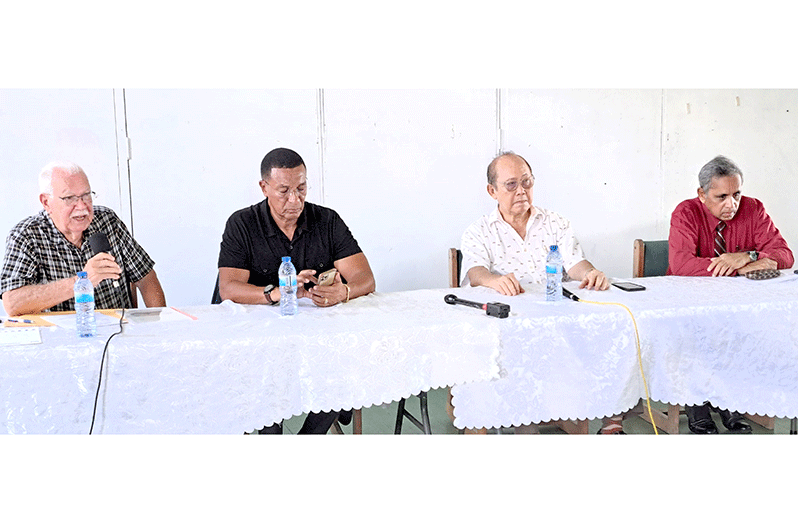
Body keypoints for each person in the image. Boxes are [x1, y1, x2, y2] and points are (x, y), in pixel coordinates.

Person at [460, 151, 623, 434]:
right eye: (511, 185)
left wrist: (590, 273)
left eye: (527, 182)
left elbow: (574, 264)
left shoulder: (555, 223)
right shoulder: (478, 231)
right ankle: (523, 420)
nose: (521, 191)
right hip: (507, 323)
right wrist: (493, 280)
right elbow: (475, 273)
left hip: (553, 319)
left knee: (607, 327)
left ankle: (606, 418)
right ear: (492, 191)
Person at [217, 147, 376, 435]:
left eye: (301, 188)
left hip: (313, 339)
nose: (295, 199)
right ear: (264, 187)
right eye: (284, 191)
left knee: (342, 369)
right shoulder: (242, 224)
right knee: (266, 387)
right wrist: (277, 293)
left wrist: (344, 292)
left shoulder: (326, 220)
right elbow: (228, 288)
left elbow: (366, 278)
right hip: (258, 343)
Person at [667, 155, 793, 434]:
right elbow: (682, 265)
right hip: (689, 298)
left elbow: (785, 255)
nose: (731, 204)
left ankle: (729, 401)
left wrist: (745, 255)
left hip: (735, 302)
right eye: (721, 196)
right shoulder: (685, 212)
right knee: (699, 329)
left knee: (745, 328)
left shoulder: (754, 208)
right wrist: (738, 266)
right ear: (702, 194)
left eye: (736, 194)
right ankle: (697, 404)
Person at [1, 161, 166, 316]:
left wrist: (160, 326)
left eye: (86, 196)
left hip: (119, 332)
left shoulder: (107, 220)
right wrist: (82, 281)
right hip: (62, 341)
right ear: (46, 202)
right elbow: (12, 303)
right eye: (69, 198)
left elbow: (146, 278)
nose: (82, 207)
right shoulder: (27, 235)